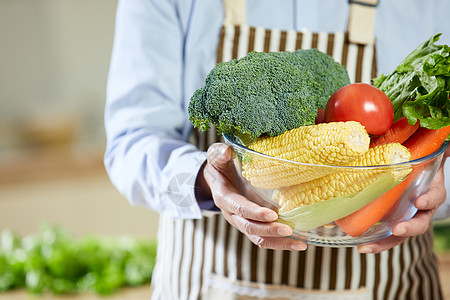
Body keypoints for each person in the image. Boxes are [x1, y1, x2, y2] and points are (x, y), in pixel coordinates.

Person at [104, 0, 450, 299]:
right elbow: (132, 138)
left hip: (389, 283)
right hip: (211, 278)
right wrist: (206, 180)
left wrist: (430, 185)